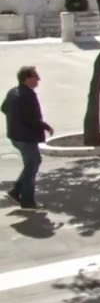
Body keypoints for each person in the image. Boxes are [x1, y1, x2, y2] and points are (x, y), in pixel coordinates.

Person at [1, 65, 53, 210]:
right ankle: (27, 202)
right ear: (27, 79)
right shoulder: (27, 95)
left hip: (16, 137)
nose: (38, 79)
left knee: (33, 163)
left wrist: (15, 120)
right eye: (36, 76)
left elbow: (4, 108)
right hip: (26, 138)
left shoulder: (13, 92)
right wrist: (46, 126)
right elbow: (32, 119)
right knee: (32, 166)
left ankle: (15, 192)